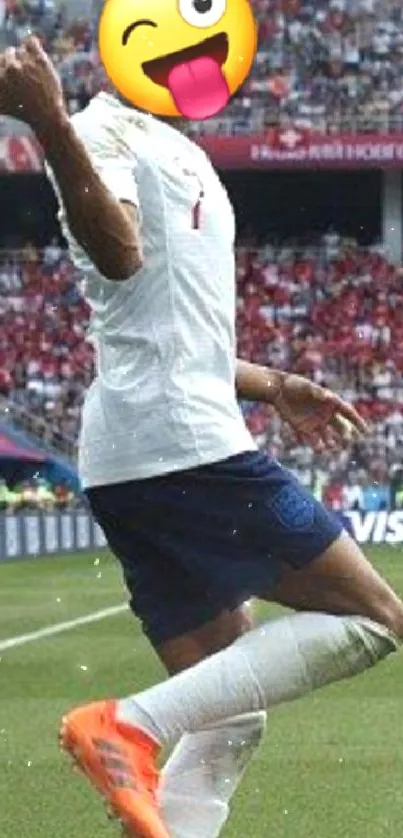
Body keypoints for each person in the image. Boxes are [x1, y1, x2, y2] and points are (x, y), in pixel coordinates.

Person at [1, 37, 402, 838]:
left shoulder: (178, 149)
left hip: (145, 448)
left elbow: (172, 332)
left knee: (227, 714)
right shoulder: (100, 130)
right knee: (373, 617)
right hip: (180, 444)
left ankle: (147, 762)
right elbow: (117, 257)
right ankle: (127, 725)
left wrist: (275, 383)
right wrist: (48, 122)